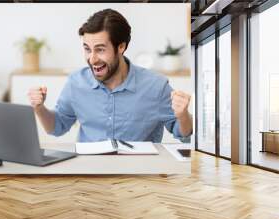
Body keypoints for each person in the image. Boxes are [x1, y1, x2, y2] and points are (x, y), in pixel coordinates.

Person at [27, 8, 192, 143]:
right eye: (87, 49)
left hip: (140, 175)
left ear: (121, 47)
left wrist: (182, 115)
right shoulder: (76, 82)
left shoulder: (156, 86)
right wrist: (39, 108)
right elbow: (56, 128)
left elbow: (184, 134)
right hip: (90, 172)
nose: (92, 59)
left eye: (100, 49)